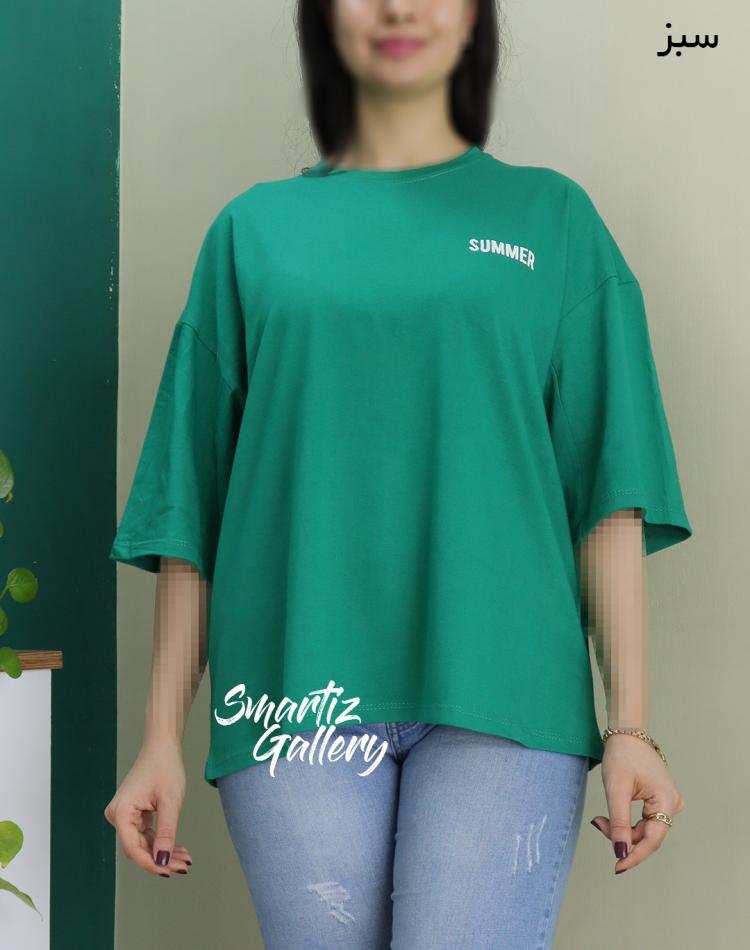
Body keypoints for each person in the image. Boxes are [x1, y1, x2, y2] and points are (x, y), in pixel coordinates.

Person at [104, 1, 692, 947]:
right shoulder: (251, 233)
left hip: (507, 688)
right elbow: (193, 508)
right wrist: (159, 739)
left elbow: (608, 491)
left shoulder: (555, 220)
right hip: (292, 691)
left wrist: (632, 724)